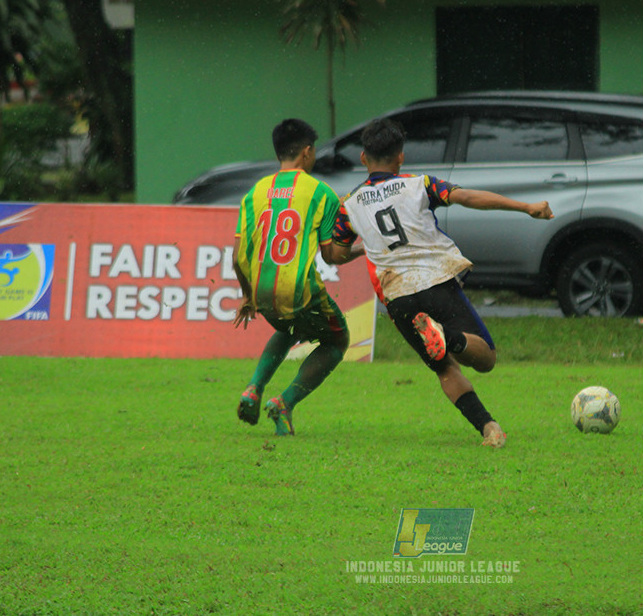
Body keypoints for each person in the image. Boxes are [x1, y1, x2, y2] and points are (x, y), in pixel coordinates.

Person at [327, 118, 554, 447]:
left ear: (364, 159)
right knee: (486, 359)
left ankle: (489, 428)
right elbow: (467, 197)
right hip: (435, 282)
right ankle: (448, 337)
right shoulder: (419, 184)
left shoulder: (349, 206)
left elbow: (335, 254)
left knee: (445, 370)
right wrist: (525, 207)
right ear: (401, 157)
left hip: (397, 297)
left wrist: (362, 247)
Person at [233, 118, 361, 436]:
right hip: (298, 289)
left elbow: (236, 257)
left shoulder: (255, 193)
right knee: (337, 340)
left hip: (262, 288)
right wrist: (364, 248)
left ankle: (253, 387)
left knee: (290, 328)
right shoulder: (321, 193)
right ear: (306, 152)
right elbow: (334, 256)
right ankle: (284, 402)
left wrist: (248, 295)